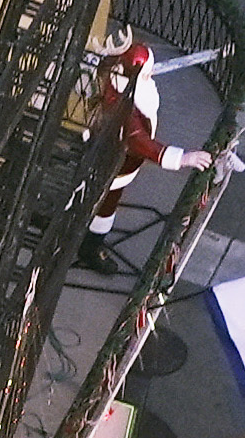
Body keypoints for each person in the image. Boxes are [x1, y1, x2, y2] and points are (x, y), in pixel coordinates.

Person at [78, 31, 216, 274]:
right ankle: (89, 246)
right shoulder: (126, 108)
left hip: (107, 156)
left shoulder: (115, 79)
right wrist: (182, 158)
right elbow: (139, 141)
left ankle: (84, 236)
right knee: (102, 205)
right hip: (111, 164)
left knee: (98, 201)